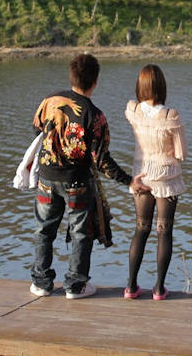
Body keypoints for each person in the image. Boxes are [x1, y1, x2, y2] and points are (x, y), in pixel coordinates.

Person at [30, 53, 148, 299]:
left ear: (71, 76)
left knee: (44, 230)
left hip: (47, 178)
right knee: (81, 233)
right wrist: (129, 181)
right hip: (77, 183)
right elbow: (101, 159)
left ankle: (41, 283)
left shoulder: (50, 101)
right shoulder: (95, 116)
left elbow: (36, 128)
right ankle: (76, 285)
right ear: (95, 81)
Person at [123, 64, 187, 300]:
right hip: (166, 178)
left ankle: (131, 287)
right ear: (161, 86)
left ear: (140, 86)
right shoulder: (171, 116)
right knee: (164, 231)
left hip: (140, 175)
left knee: (140, 229)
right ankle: (159, 289)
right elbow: (181, 153)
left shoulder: (133, 110)